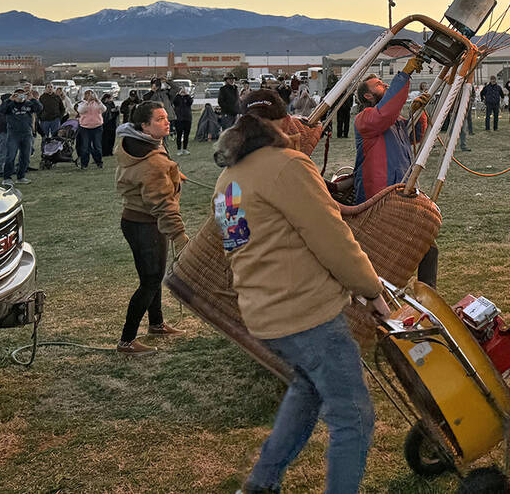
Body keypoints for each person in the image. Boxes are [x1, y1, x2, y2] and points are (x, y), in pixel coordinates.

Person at [212, 88, 388, 494]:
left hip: (262, 313)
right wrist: (370, 288)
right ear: (284, 121)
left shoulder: (228, 180)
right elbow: (332, 236)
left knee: (307, 388)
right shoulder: (288, 166)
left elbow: (240, 245)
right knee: (353, 416)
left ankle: (261, 483)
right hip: (305, 316)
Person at [353, 56, 438, 285]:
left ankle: (428, 294)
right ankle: (373, 292)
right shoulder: (365, 119)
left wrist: (417, 113)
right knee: (378, 250)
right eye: (378, 84)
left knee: (428, 248)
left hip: (401, 192)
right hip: (379, 196)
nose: (385, 84)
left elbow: (415, 136)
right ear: (368, 96)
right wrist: (404, 76)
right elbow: (385, 113)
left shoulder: (394, 120)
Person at [114, 100, 187, 354]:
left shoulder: (139, 144)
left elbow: (143, 178)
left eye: (166, 117)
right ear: (144, 126)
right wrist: (180, 237)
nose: (167, 122)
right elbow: (163, 205)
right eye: (159, 119)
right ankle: (126, 340)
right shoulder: (151, 161)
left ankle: (156, 324)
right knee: (150, 281)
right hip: (144, 225)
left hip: (138, 221)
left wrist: (172, 174)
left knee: (154, 277)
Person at [0, 88, 42, 184]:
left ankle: (21, 176)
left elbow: (39, 108)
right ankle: (7, 178)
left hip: (27, 133)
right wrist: (9, 100)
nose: (20, 96)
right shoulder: (10, 105)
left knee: (25, 156)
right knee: (11, 156)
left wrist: (32, 99)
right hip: (13, 134)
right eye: (18, 94)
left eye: (22, 94)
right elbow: (0, 110)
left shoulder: (29, 104)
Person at [76, 89, 106, 169]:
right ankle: (84, 164)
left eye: (91, 94)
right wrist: (87, 102)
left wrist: (98, 101)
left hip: (97, 127)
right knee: (85, 147)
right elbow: (80, 111)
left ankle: (99, 162)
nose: (90, 96)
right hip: (85, 128)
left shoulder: (98, 103)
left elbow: (104, 109)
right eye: (88, 94)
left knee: (97, 146)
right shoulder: (82, 103)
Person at [172, 85, 194, 154]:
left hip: (187, 119)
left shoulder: (188, 98)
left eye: (184, 91)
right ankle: (179, 149)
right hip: (179, 119)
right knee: (179, 135)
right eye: (182, 91)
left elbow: (190, 102)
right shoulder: (177, 98)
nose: (183, 92)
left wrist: (187, 95)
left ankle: (185, 149)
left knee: (186, 135)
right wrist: (178, 94)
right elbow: (174, 102)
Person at [101, 93, 120, 160]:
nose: (111, 99)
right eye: (110, 98)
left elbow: (114, 113)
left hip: (112, 124)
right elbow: (104, 113)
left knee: (111, 138)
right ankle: (104, 152)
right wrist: (111, 111)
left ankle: (110, 151)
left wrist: (116, 111)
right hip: (105, 124)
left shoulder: (111, 104)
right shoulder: (102, 104)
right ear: (107, 98)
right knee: (105, 139)